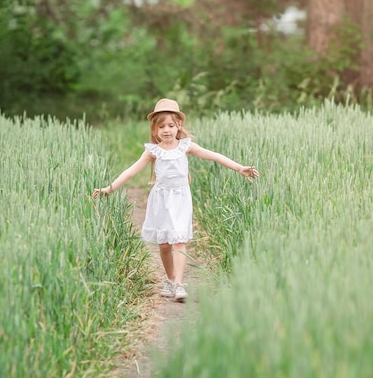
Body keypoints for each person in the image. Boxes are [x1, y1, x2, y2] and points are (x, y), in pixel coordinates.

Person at [93, 98, 259, 302]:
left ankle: (179, 284)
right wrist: (108, 189)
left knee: (179, 241)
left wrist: (239, 167)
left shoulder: (185, 147)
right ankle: (170, 280)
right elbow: (130, 172)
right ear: (154, 129)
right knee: (164, 244)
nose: (166, 130)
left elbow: (214, 155)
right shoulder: (153, 151)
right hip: (160, 199)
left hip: (180, 198)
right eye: (161, 126)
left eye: (170, 125)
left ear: (178, 125)